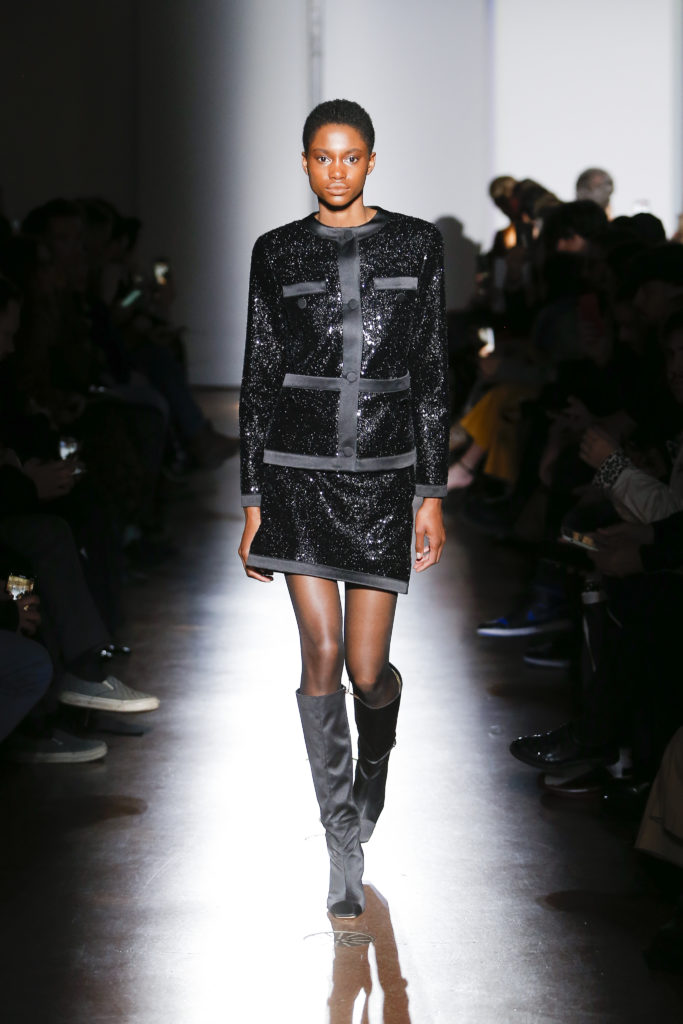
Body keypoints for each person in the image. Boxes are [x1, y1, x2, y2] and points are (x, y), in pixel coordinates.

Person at [238, 99, 449, 919]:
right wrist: (251, 501)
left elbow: (430, 373)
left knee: (368, 671)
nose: (336, 170)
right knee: (320, 652)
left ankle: (375, 763)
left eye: (350, 156)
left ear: (370, 160)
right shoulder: (275, 250)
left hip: (384, 480)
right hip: (296, 476)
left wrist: (430, 495)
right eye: (322, 157)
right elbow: (259, 376)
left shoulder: (417, 244)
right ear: (304, 162)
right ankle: (340, 840)